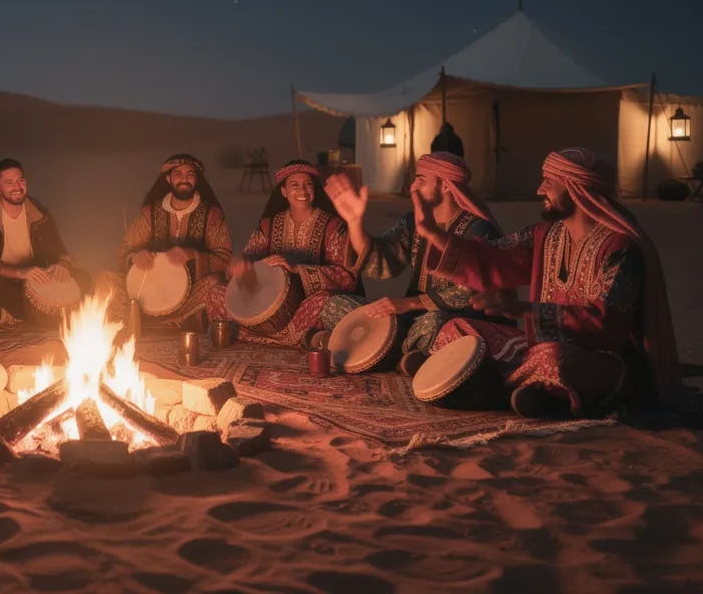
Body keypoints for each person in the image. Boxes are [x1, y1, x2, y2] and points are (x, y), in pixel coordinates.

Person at [414, 148, 679, 419]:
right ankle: (519, 388)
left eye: (549, 183)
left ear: (578, 189)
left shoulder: (619, 248)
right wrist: (434, 233)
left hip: (604, 360)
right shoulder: (544, 235)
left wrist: (524, 309)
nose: (540, 190)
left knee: (554, 359)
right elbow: (493, 258)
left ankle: (490, 386)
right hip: (536, 348)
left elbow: (606, 323)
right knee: (455, 329)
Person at [320, 152, 504, 374]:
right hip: (410, 318)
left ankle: (388, 353)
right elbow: (382, 262)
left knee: (433, 324)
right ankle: (405, 355)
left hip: (455, 318)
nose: (413, 185)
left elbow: (471, 293)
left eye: (421, 179)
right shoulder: (414, 222)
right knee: (336, 305)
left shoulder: (479, 231)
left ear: (445, 186)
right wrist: (354, 222)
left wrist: (410, 303)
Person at [206, 160, 360, 346]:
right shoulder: (269, 226)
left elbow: (347, 277)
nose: (302, 191)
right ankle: (298, 339)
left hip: (303, 308)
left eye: (307, 185)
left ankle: (280, 335)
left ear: (314, 190)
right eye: (294, 185)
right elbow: (246, 260)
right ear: (284, 191)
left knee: (325, 301)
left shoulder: (333, 227)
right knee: (216, 292)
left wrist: (298, 270)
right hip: (264, 307)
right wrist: (242, 267)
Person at [96, 154, 231, 331]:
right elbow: (123, 249)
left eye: (190, 174)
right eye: (178, 174)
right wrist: (134, 256)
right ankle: (134, 321)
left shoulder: (212, 214)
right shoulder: (150, 212)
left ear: (196, 179)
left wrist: (193, 256)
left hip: (191, 296)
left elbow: (225, 258)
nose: (184, 179)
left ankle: (185, 322)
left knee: (214, 284)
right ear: (168, 179)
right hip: (146, 293)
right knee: (105, 279)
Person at [0, 158, 93, 326]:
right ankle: (34, 316)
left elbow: (62, 253)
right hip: (2, 280)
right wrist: (20, 272)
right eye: (9, 182)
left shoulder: (39, 213)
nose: (17, 187)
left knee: (83, 277)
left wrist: (63, 265)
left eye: (20, 180)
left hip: (35, 276)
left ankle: (8, 315)